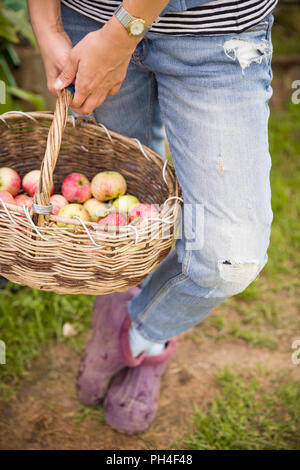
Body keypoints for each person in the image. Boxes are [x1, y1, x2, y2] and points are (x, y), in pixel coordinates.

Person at [27, 0, 277, 434]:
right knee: (127, 214)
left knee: (230, 258)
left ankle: (138, 332)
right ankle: (123, 309)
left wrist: (120, 35)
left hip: (216, 34)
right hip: (90, 17)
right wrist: (46, 24)